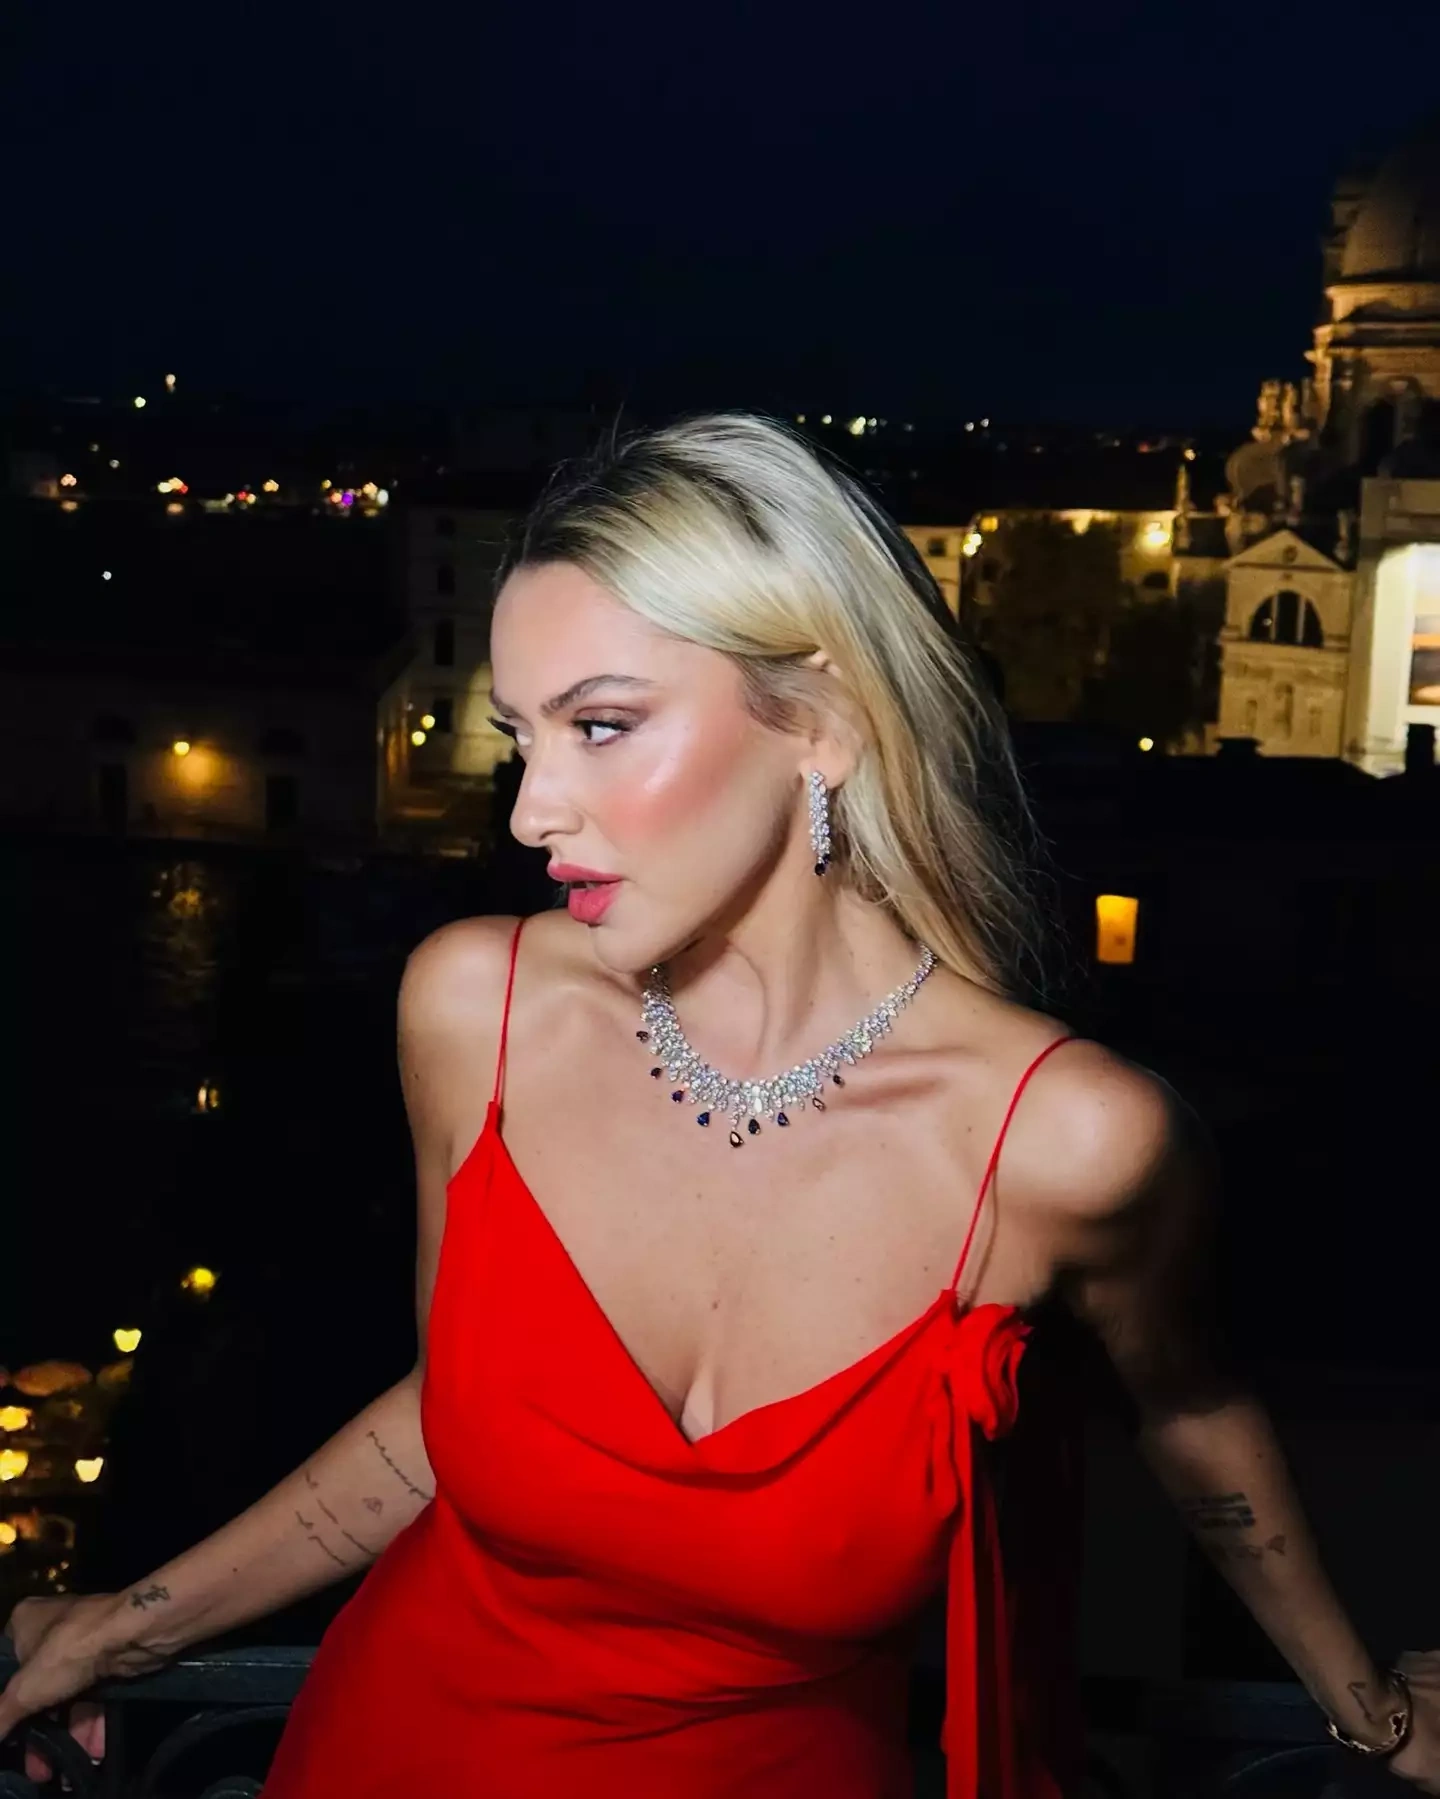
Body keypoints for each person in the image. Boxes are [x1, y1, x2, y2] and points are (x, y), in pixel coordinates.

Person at [3, 413, 1438, 1797]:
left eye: (601, 725)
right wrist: (129, 1622)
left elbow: (1192, 1412)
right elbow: (448, 1417)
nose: (530, 810)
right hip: (390, 1750)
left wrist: (1367, 1708)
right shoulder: (477, 1007)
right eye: (522, 737)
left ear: (820, 722)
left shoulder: (1069, 1144)